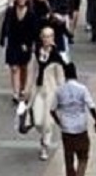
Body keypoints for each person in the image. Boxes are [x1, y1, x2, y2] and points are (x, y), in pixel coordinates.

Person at [51, 63, 96, 176]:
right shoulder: (82, 89)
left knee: (69, 160)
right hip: (81, 128)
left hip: (67, 129)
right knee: (83, 157)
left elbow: (52, 110)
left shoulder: (60, 91)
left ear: (65, 74)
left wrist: (60, 123)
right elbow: (91, 106)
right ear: (75, 73)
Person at [26, 27, 67, 161]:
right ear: (41, 38)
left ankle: (45, 145)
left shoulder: (57, 56)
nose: (47, 39)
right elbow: (31, 72)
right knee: (38, 120)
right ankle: (43, 135)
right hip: (38, 90)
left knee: (47, 121)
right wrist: (27, 89)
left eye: (50, 36)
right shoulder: (36, 53)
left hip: (51, 90)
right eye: (45, 36)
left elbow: (60, 77)